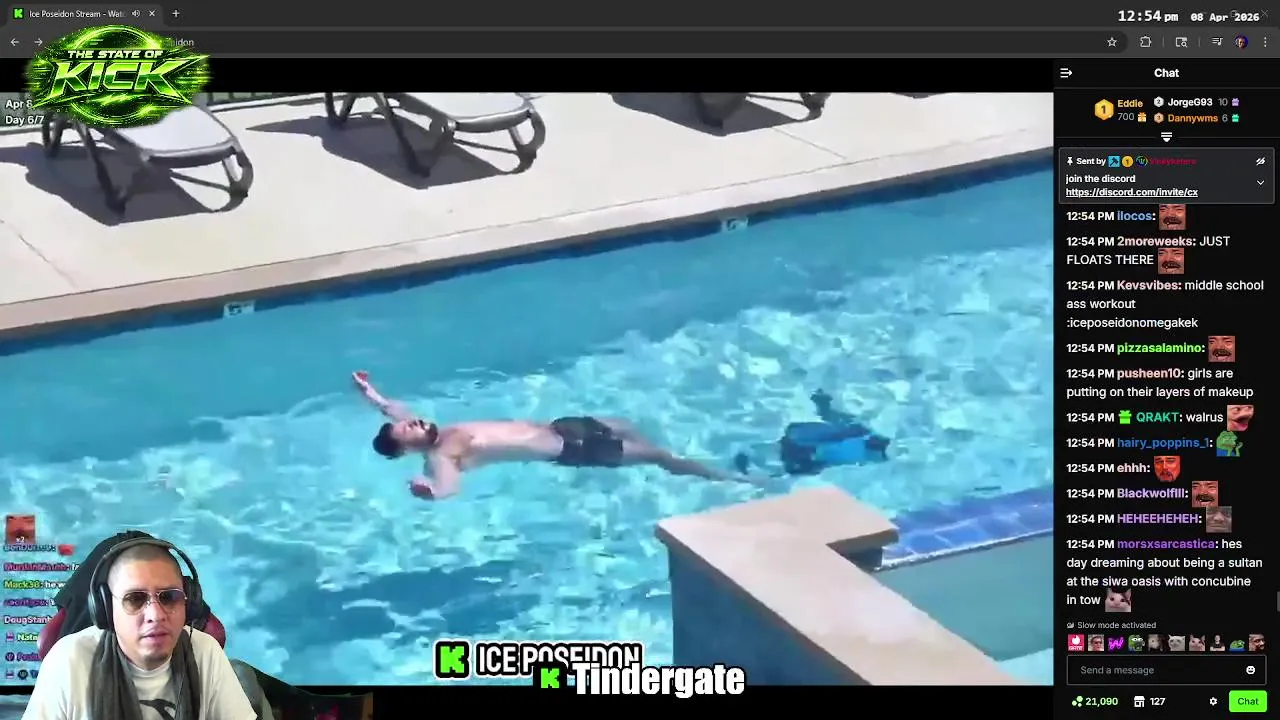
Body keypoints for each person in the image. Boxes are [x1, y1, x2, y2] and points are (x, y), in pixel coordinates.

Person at [352, 371, 740, 499]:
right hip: (572, 450)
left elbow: (394, 410)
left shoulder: (431, 430)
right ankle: (728, 479)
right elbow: (449, 487)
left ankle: (702, 465)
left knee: (625, 424)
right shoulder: (442, 455)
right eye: (408, 430)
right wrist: (432, 492)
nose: (414, 423)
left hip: (561, 427)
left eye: (412, 422)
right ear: (406, 449)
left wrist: (371, 394)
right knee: (658, 456)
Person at [23, 538, 256, 720]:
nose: (156, 615)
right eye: (135, 599)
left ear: (189, 602)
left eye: (169, 597)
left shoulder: (204, 652)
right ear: (107, 609)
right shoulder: (68, 660)